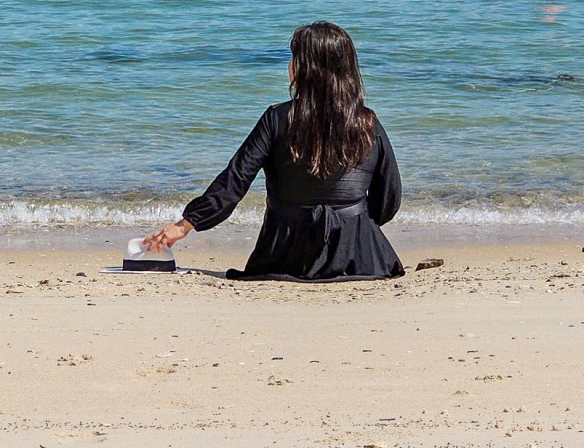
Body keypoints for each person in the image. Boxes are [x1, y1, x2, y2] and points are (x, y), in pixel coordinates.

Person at [144, 21, 404, 281]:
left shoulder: (277, 118)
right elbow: (388, 199)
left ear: (307, 68)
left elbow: (236, 180)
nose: (289, 65)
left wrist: (186, 225)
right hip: (361, 257)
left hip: (286, 255)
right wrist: (354, 229)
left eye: (294, 57)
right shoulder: (368, 122)